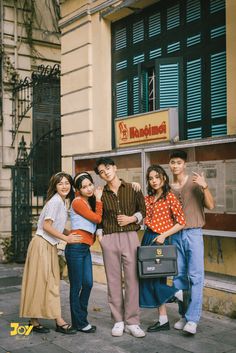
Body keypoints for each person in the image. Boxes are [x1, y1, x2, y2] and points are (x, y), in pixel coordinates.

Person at [20, 172, 81, 334]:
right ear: (55, 186)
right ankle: (59, 321)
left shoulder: (61, 202)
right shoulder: (55, 202)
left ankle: (34, 320)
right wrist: (66, 239)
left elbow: (55, 225)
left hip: (46, 245)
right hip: (42, 245)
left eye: (67, 183)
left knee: (42, 282)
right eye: (60, 183)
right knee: (50, 282)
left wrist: (69, 232)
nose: (64, 186)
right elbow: (47, 226)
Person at [94, 157, 146, 338]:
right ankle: (118, 320)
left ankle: (132, 321)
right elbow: (98, 216)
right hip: (109, 238)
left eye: (108, 168)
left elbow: (143, 211)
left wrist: (132, 219)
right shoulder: (100, 193)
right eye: (101, 171)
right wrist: (100, 235)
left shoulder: (133, 188)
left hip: (130, 237)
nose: (106, 172)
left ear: (115, 168)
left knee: (133, 279)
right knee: (113, 281)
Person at [169, 150, 215, 335]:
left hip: (194, 233)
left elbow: (210, 206)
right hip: (176, 235)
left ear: (184, 164)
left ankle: (193, 319)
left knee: (196, 277)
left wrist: (205, 187)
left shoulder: (195, 183)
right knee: (180, 277)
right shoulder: (169, 187)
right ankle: (184, 315)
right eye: (172, 162)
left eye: (178, 162)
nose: (175, 166)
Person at [139, 165, 186, 332]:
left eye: (157, 177)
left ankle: (177, 292)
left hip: (161, 241)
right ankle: (163, 320)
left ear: (164, 178)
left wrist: (165, 235)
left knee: (158, 278)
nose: (154, 181)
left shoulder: (170, 197)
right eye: (151, 178)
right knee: (149, 278)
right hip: (148, 238)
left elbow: (181, 222)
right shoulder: (148, 198)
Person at [65, 172, 103, 333]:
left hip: (84, 248)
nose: (88, 189)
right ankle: (79, 322)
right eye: (84, 187)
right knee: (76, 286)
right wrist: (99, 199)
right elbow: (97, 219)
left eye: (90, 185)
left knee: (87, 283)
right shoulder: (78, 202)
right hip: (75, 248)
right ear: (78, 189)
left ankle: (81, 318)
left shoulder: (89, 201)